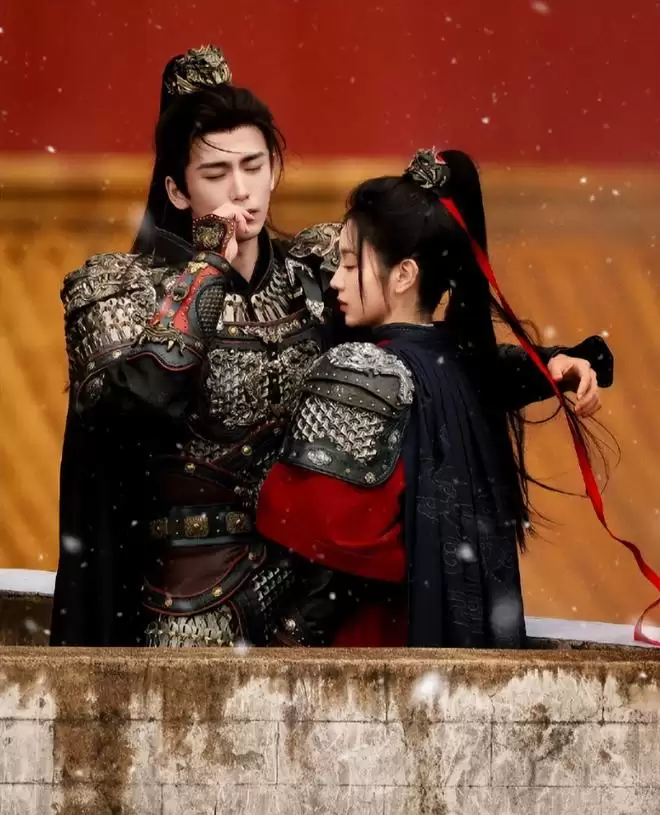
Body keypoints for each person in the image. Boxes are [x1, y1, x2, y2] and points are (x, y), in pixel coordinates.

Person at [51, 47, 612, 648]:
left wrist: (544, 366)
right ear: (178, 189)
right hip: (190, 598)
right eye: (215, 175)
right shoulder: (118, 290)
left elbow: (418, 364)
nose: (240, 191)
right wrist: (208, 269)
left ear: (274, 169)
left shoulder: (317, 272)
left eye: (253, 166)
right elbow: (136, 402)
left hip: (322, 591)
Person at [256, 149, 615, 648]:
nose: (335, 279)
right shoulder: (461, 366)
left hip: (376, 647)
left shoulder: (363, 371)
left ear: (404, 274)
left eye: (350, 263)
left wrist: (289, 637)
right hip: (464, 633)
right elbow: (495, 363)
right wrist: (560, 361)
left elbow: (333, 542)